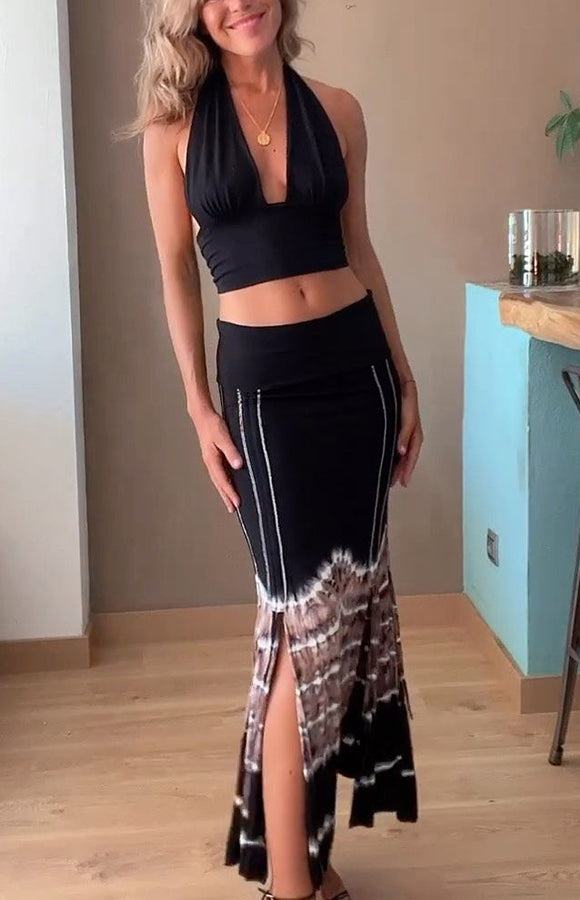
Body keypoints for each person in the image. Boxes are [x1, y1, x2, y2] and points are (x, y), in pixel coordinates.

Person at [127, 1, 423, 898]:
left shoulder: (338, 109)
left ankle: (302, 861)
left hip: (358, 377)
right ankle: (291, 883)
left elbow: (361, 250)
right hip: (264, 394)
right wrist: (197, 406)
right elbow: (175, 272)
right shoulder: (173, 128)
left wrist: (405, 378)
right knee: (302, 626)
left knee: (337, 620)